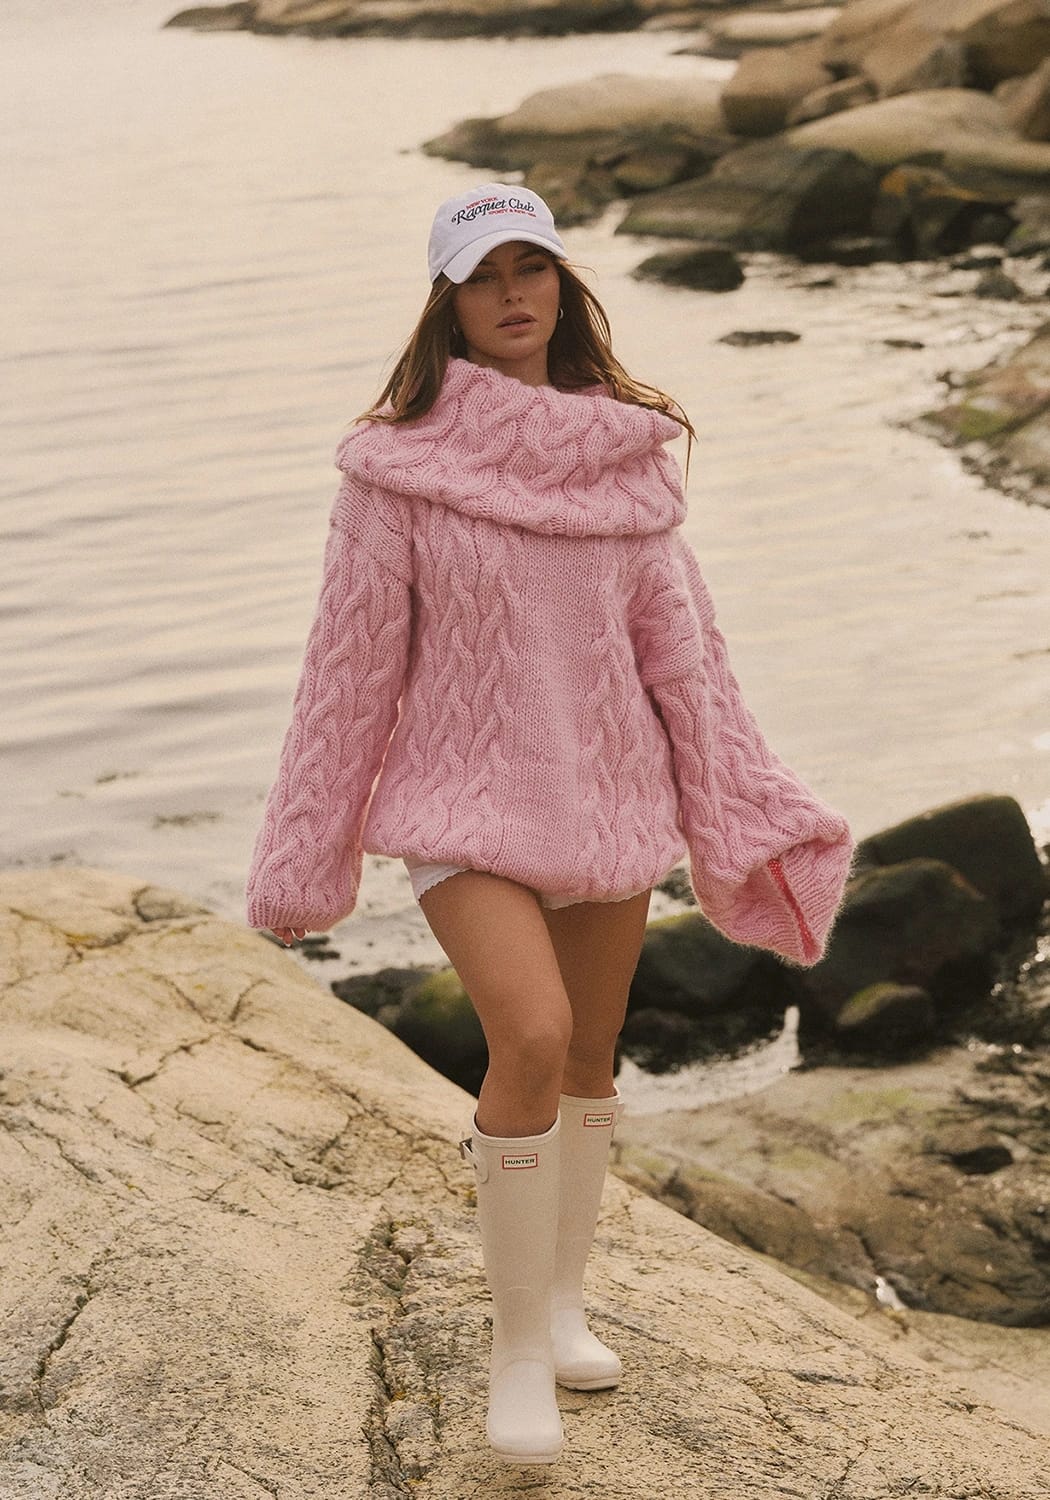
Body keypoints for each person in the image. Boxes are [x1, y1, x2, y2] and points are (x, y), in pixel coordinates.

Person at [245, 182, 854, 1467]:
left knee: (590, 1053)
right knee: (528, 1036)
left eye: (532, 267)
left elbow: (684, 659)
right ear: (448, 303)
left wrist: (743, 805)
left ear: (564, 288)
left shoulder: (626, 462)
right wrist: (305, 855)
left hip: (611, 805)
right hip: (463, 812)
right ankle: (516, 1354)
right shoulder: (395, 471)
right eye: (485, 274)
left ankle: (566, 1307)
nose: (513, 293)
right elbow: (349, 673)